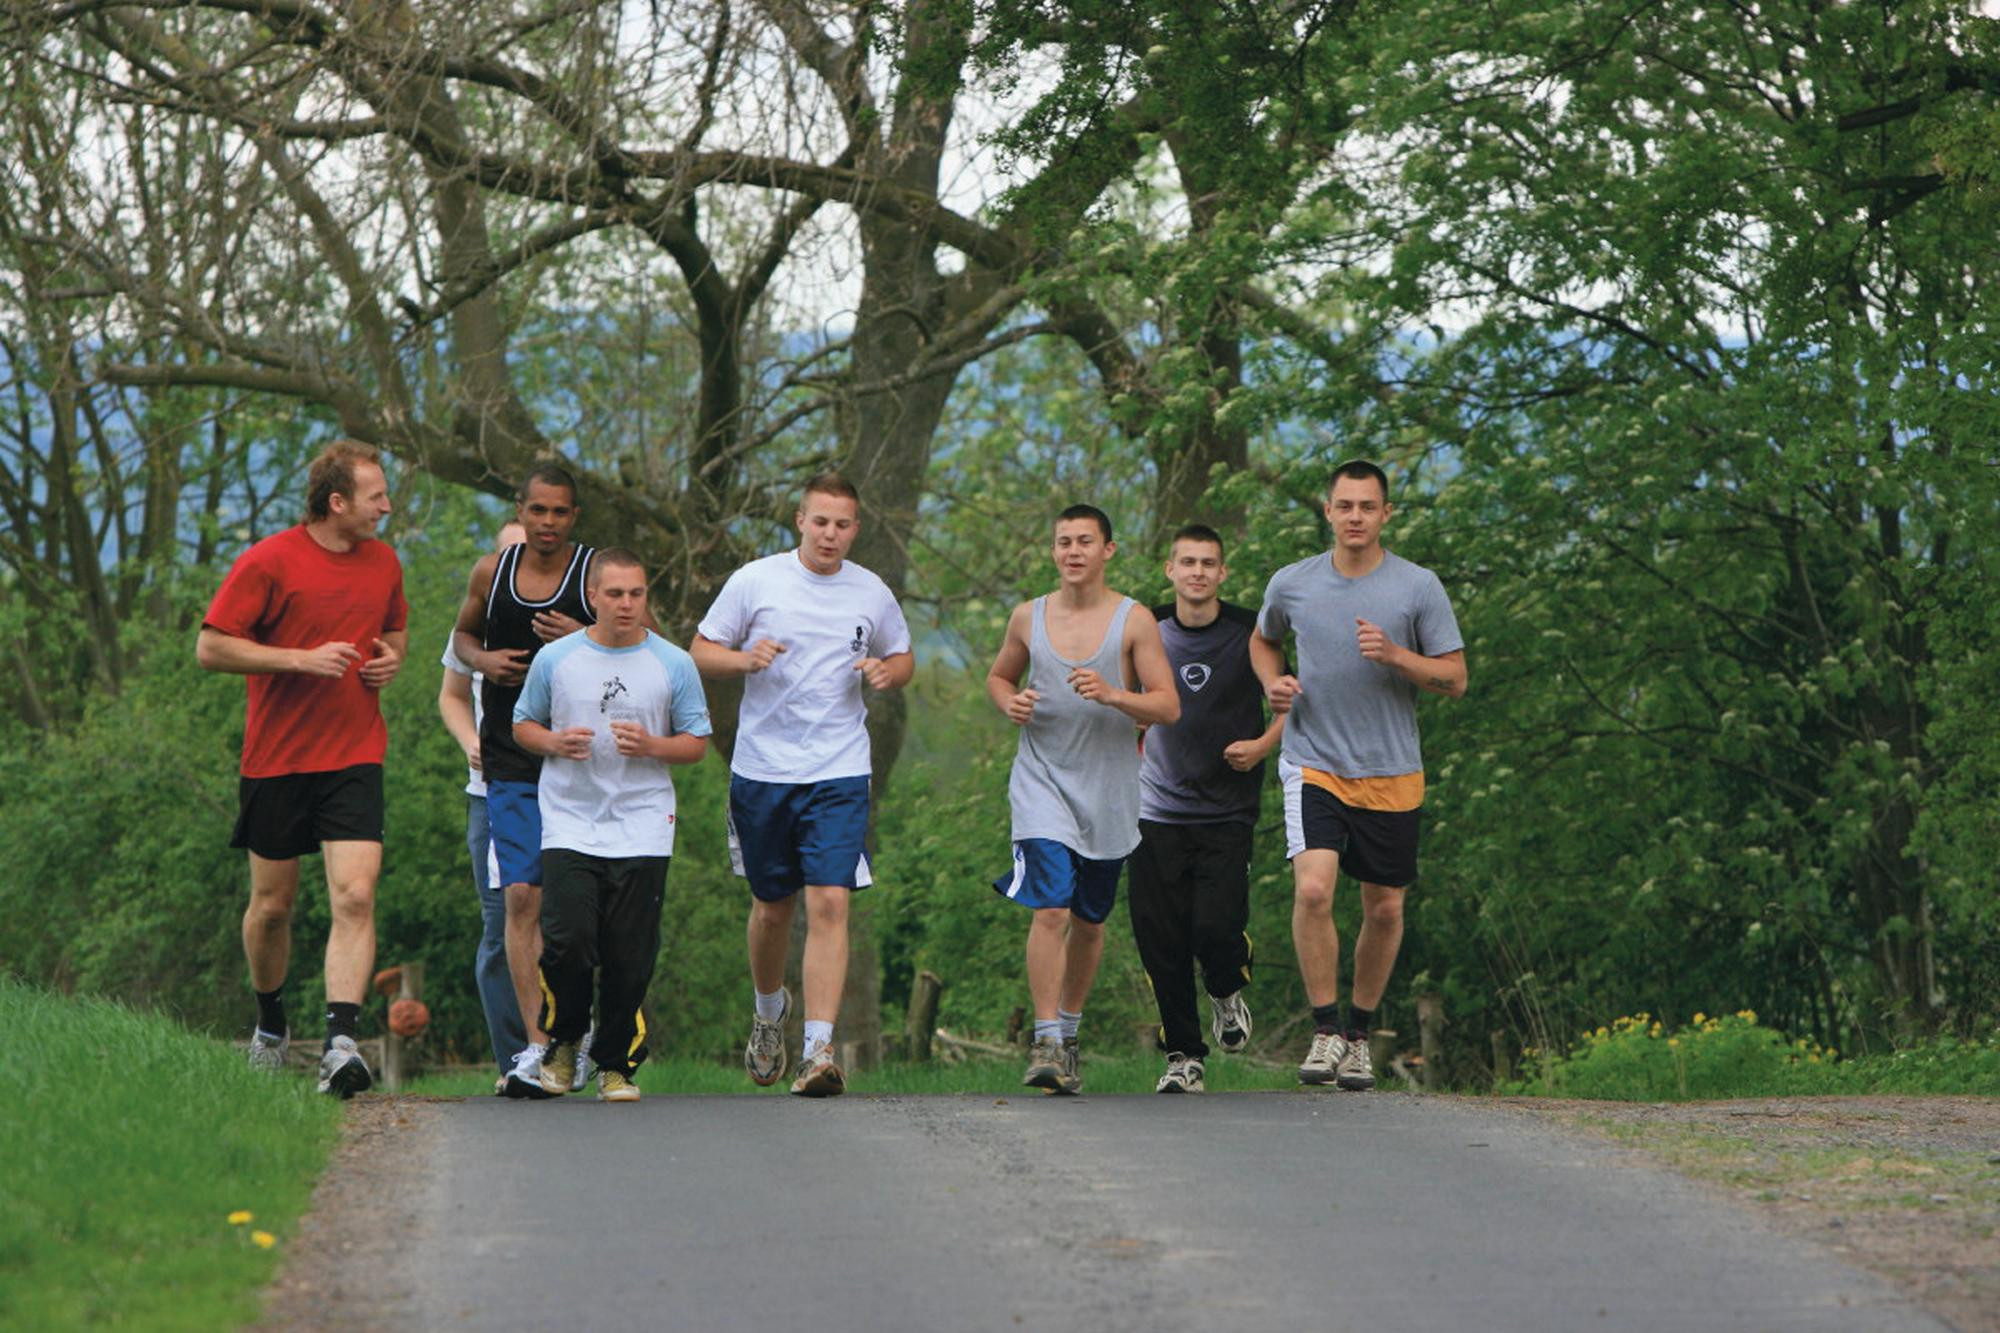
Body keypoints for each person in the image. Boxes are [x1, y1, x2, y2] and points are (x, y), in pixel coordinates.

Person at [197, 439, 408, 1098]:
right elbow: (210, 647)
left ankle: (341, 1043)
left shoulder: (384, 562)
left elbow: (394, 631)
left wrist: (391, 660)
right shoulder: (269, 560)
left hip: (354, 755)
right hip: (278, 760)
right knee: (272, 908)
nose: (387, 505)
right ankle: (270, 1027)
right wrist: (297, 659)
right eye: (376, 495)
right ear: (337, 501)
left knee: (355, 894)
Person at [692, 473, 913, 1097]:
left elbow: (903, 657)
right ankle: (769, 1016)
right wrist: (744, 660)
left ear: (856, 529)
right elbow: (700, 650)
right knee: (772, 907)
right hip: (764, 768)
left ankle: (818, 1050)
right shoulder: (756, 580)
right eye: (821, 522)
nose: (830, 535)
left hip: (840, 768)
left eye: (843, 525)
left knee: (831, 901)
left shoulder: (871, 590)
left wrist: (886, 673)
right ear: (799, 520)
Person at [1250, 461, 1466, 1091]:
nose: (1354, 518)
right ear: (1326, 511)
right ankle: (1323, 1030)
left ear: (1386, 514)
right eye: (1344, 506)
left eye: (1367, 507)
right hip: (1314, 758)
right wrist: (1273, 682)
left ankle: (1357, 1037)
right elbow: (1263, 641)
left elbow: (1455, 680)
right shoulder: (1293, 584)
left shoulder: (1417, 588)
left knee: (1385, 908)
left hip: (1392, 769)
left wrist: (1397, 656)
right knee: (1314, 891)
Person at [986, 504, 1178, 1095]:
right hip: (1041, 781)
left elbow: (1168, 705)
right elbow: (999, 677)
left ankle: (1068, 1034)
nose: (1073, 551)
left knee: (1090, 922)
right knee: (1051, 909)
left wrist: (1116, 696)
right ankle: (1044, 1038)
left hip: (1111, 792)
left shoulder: (1134, 621)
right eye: (1063, 541)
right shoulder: (1028, 617)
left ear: (1107, 551)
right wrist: (1008, 702)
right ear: (1053, 552)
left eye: (1085, 542)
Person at [512, 549, 711, 1102]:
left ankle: (616, 1064)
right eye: (616, 594)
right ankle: (564, 1041)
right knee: (567, 942)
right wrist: (553, 742)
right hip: (571, 819)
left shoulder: (673, 663)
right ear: (593, 596)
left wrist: (653, 745)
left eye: (637, 594)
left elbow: (696, 743)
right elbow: (523, 724)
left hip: (643, 821)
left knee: (629, 952)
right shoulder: (556, 659)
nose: (627, 605)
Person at [450, 464, 596, 1098]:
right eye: (537, 511)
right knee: (519, 900)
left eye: (559, 513)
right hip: (509, 759)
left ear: (573, 517)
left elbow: (646, 644)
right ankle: (535, 1047)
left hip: (582, 759)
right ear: (521, 509)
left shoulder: (594, 575)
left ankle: (581, 1039)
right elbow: (462, 638)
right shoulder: (493, 571)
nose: (547, 523)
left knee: (582, 912)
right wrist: (483, 659)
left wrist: (585, 638)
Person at [1129, 524, 1284, 1094]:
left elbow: (1289, 699)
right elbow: (1124, 697)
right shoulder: (1146, 627)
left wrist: (1263, 745)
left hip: (1227, 809)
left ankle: (1225, 989)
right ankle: (1182, 1057)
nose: (1197, 571)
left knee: (1215, 929)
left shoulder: (1251, 630)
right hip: (1153, 808)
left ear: (1223, 573)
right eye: (1186, 562)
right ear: (1169, 570)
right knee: (1159, 936)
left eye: (1208, 563)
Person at [438, 521, 530, 1094]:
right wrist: (469, 740)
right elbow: (450, 696)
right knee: (500, 929)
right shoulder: (476, 624)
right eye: (507, 553)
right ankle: (515, 1060)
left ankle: (576, 1047)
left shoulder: (577, 614)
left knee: (564, 927)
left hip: (564, 793)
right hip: (490, 795)